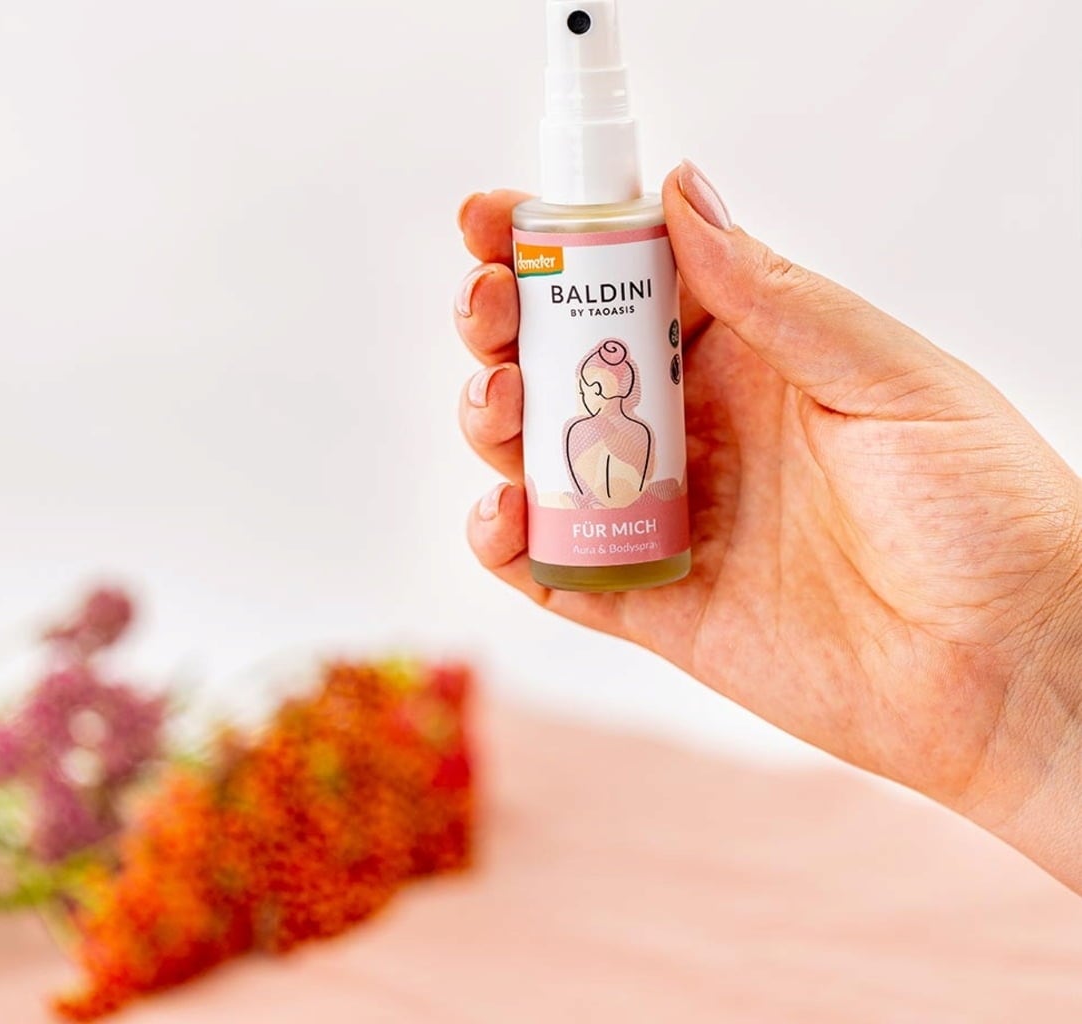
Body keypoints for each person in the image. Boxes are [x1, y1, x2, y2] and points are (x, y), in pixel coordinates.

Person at [453, 160, 1082, 894]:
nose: (594, 394)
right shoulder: (549, 248)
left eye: (598, 385)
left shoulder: (630, 265)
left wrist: (1041, 632)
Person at [565, 338, 653, 508]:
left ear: (599, 391)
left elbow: (595, 493)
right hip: (634, 512)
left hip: (598, 512)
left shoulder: (580, 429)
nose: (581, 397)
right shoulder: (643, 430)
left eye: (583, 391)